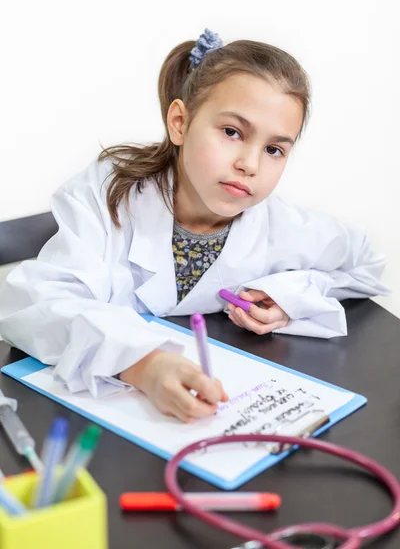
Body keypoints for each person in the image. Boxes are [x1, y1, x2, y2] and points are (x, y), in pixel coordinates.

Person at [0, 29, 388, 422]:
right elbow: (33, 304)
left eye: (274, 149)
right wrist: (142, 364)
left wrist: (291, 297)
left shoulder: (286, 226)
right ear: (180, 122)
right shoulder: (106, 195)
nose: (249, 164)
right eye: (232, 132)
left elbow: (366, 265)